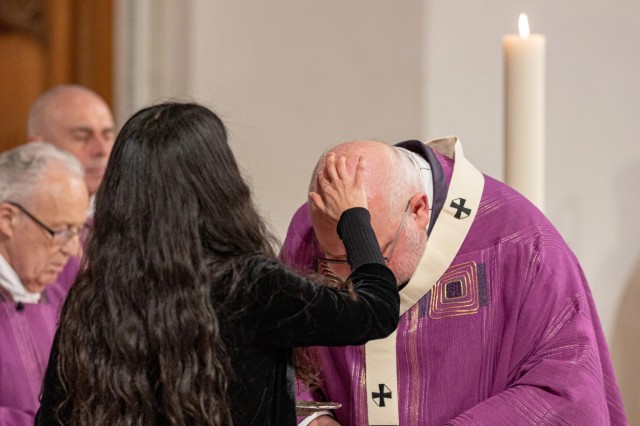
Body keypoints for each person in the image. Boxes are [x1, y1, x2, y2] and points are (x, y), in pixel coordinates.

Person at [36, 102, 400, 426]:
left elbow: (53, 415)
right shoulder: (250, 284)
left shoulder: (94, 294)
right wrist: (354, 217)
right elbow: (376, 310)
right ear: (218, 184)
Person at [281, 137, 628, 425]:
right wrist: (312, 420)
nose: (349, 278)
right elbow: (276, 353)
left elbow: (567, 392)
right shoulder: (312, 233)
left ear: (419, 210)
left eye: (368, 255)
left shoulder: (522, 245)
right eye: (333, 263)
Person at [0, 142, 89, 424]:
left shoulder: (66, 296)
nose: (73, 248)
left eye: (78, 230)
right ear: (7, 219)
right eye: (61, 231)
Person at [27, 84, 116, 295]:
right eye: (82, 137)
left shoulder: (124, 224)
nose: (101, 150)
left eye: (107, 136)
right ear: (38, 147)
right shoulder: (18, 232)